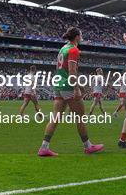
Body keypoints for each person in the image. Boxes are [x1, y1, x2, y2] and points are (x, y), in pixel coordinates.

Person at [38, 27, 103, 157]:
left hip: (58, 85)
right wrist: (76, 88)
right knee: (80, 117)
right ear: (77, 36)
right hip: (68, 85)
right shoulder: (74, 49)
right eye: (81, 34)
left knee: (55, 117)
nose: (82, 36)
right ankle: (88, 146)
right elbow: (72, 72)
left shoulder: (63, 48)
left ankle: (44, 147)